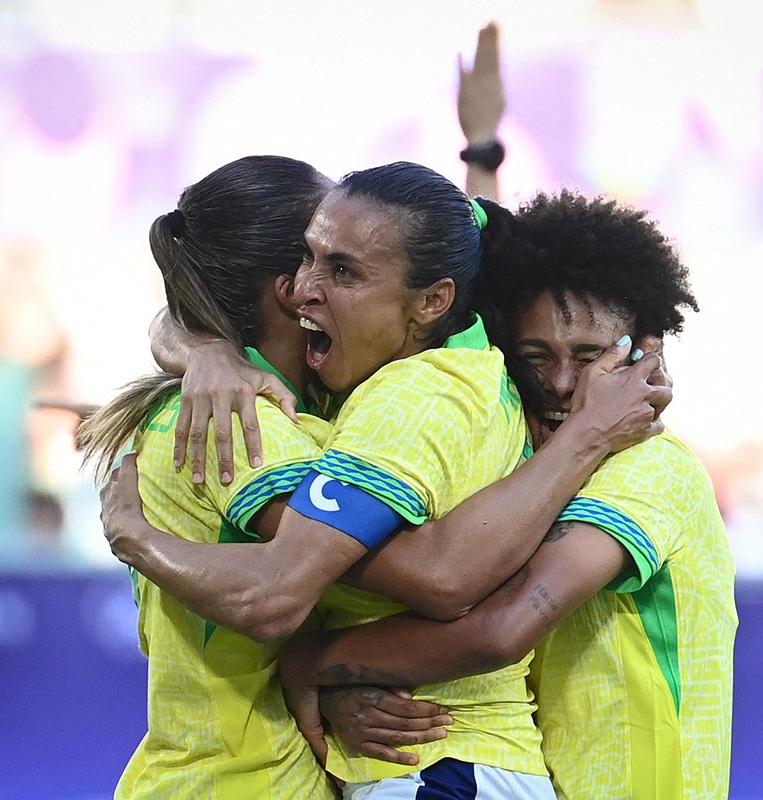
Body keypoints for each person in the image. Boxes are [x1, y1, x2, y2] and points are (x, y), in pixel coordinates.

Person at [95, 160, 670, 798]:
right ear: (279, 287)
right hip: (268, 779)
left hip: (425, 768)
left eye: (340, 270)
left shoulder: (405, 392)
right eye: (310, 260)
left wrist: (136, 538)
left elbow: (425, 582)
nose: (312, 287)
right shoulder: (254, 415)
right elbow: (388, 578)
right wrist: (200, 345)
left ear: (433, 300)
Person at [274, 190, 738, 800]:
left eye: (590, 355)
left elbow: (501, 629)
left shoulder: (648, 468)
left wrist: (312, 664)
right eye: (535, 356)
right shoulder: (537, 461)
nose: (564, 383)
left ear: (647, 352)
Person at [78, 155, 340, 799]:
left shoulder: (253, 397)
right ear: (294, 287)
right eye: (337, 258)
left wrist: (199, 345)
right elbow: (427, 576)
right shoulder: (244, 427)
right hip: (238, 784)